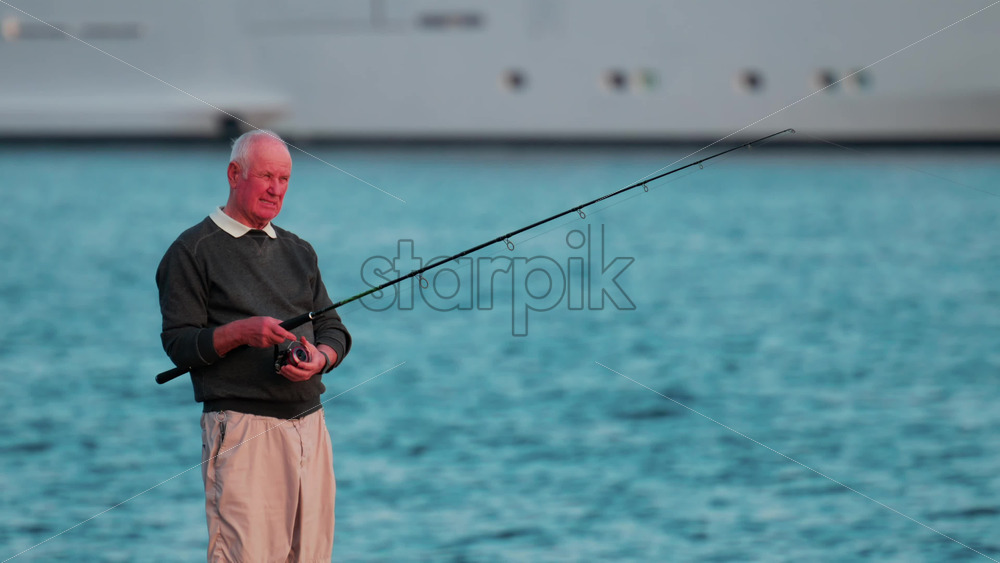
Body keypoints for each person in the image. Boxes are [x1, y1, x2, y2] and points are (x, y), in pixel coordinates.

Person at [156, 129, 351, 562]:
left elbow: (334, 328)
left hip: (311, 430)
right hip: (242, 430)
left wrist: (319, 358)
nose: (276, 189)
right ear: (234, 173)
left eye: (284, 180)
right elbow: (179, 344)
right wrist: (242, 333)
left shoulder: (300, 251)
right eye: (266, 176)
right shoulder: (191, 251)